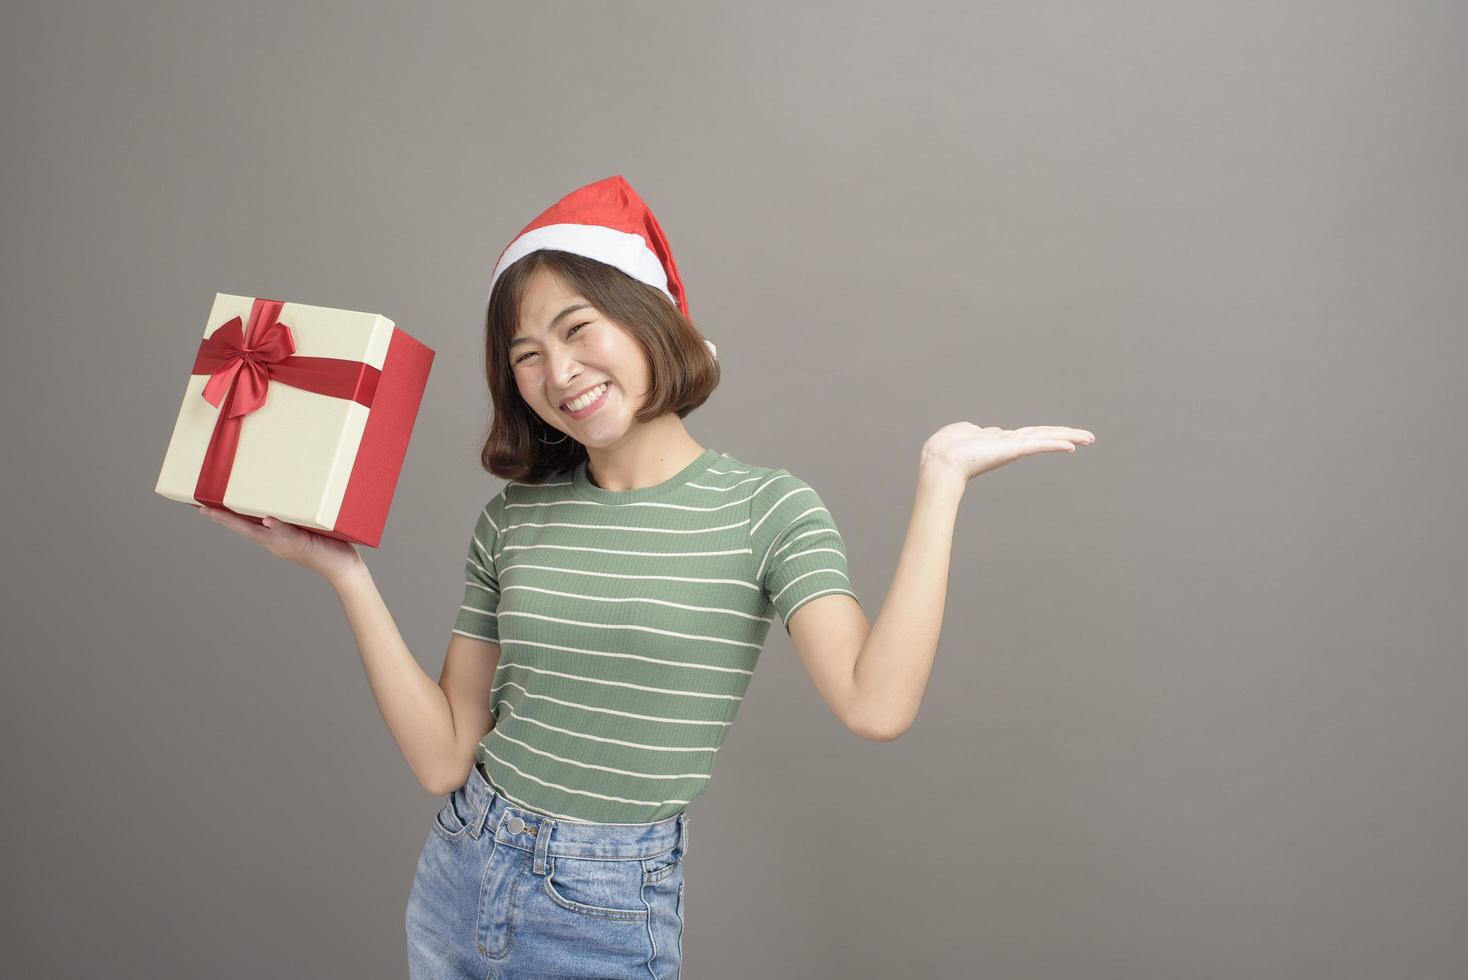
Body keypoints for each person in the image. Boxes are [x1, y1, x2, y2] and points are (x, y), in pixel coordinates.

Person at [196, 174, 1096, 978]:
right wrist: (345, 575)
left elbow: (875, 705)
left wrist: (940, 484)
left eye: (577, 329)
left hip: (604, 904)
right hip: (459, 869)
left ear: (650, 318)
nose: (559, 372)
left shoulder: (766, 511)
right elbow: (441, 759)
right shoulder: (514, 517)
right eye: (525, 356)